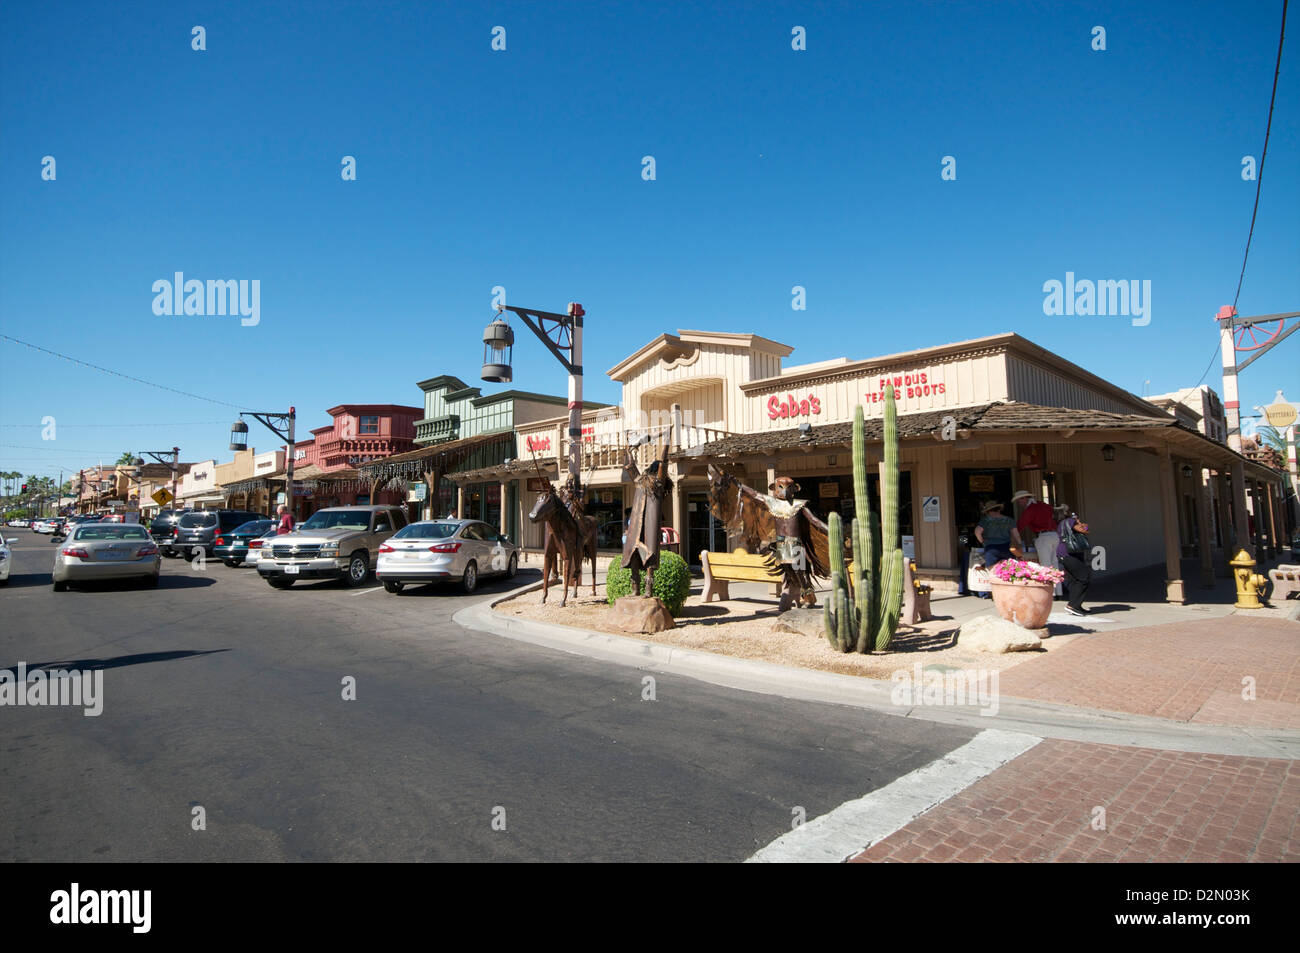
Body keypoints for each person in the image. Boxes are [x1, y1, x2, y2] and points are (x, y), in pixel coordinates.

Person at [1014, 489, 1061, 596]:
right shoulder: (1043, 505)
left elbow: (1020, 525)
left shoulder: (1030, 510)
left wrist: (1012, 535)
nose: (1019, 503)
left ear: (1024, 499)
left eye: (1019, 501)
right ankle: (1058, 591)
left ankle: (1049, 593)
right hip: (1054, 535)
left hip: (1043, 536)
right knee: (1054, 563)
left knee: (1045, 564)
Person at [973, 501, 1023, 597]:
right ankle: (1010, 592)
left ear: (988, 511)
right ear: (999, 509)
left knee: (992, 572)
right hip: (1006, 547)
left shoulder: (985, 520)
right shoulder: (1009, 520)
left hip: (991, 548)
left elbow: (977, 531)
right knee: (1009, 570)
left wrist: (982, 541)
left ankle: (996, 594)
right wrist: (1020, 545)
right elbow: (1016, 534)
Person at [1055, 503, 1092, 616]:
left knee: (1074, 580)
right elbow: (1085, 529)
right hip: (1069, 554)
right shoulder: (1070, 521)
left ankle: (1077, 606)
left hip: (1065, 553)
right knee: (1084, 577)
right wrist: (1079, 522)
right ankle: (1073, 605)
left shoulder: (1061, 523)